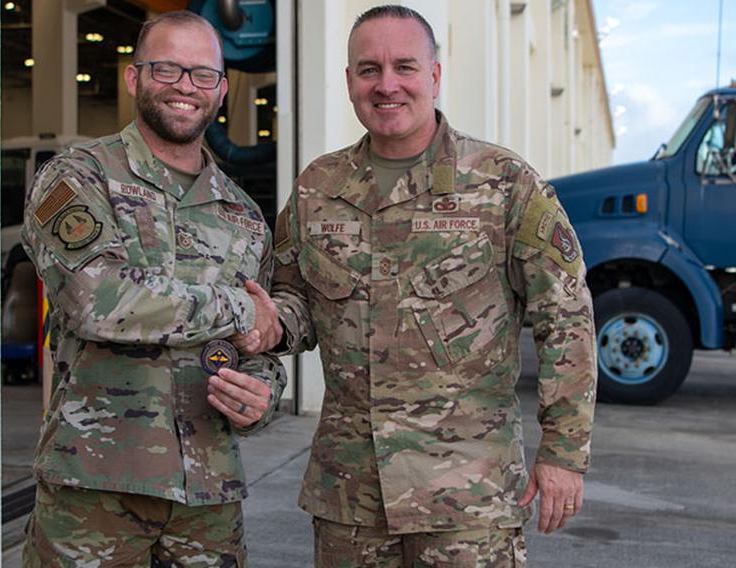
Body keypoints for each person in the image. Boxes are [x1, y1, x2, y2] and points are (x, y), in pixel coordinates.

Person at [236, 5, 597, 566]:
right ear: (349, 82)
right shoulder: (316, 189)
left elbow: (566, 319)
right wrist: (271, 325)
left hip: (467, 500)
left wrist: (565, 452)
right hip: (350, 498)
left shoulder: (504, 184)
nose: (386, 85)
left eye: (404, 66)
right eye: (368, 69)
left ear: (434, 74)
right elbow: (296, 302)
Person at [20, 11, 286, 568]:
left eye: (202, 74)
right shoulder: (79, 177)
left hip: (208, 503)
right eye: (167, 68)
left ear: (221, 89)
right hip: (94, 495)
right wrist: (234, 307)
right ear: (134, 77)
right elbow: (98, 300)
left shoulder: (242, 214)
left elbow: (257, 341)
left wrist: (262, 394)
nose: (185, 86)